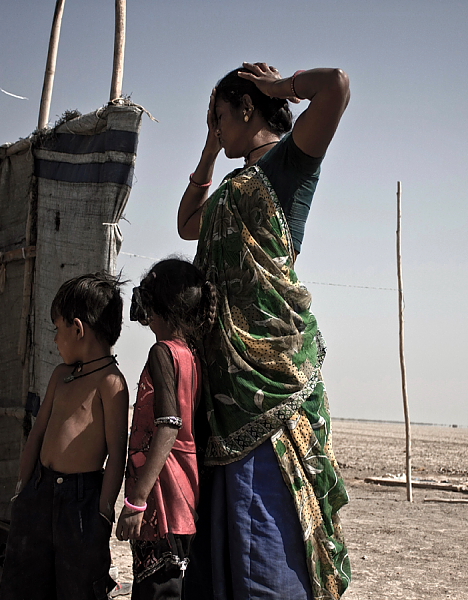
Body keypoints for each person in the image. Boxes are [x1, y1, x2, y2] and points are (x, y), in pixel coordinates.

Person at [177, 63, 352, 600]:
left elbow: (336, 86)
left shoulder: (288, 162)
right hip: (226, 387)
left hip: (270, 379)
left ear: (247, 108)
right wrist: (208, 153)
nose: (217, 127)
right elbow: (187, 225)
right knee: (227, 538)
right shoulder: (233, 183)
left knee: (267, 534)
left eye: (221, 117)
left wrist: (279, 88)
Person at [0, 272, 129, 600]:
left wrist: (102, 513)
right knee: (23, 583)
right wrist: (22, 491)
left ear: (78, 328)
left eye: (58, 330)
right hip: (38, 494)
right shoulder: (61, 376)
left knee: (77, 587)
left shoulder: (112, 384)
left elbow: (117, 454)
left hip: (81, 503)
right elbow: (38, 434)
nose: (56, 340)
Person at [114, 258, 217, 600]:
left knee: (156, 588)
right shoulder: (191, 355)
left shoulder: (162, 353)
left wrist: (137, 502)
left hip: (162, 496)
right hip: (185, 496)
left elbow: (169, 426)